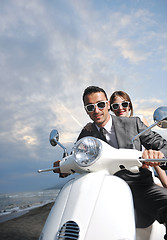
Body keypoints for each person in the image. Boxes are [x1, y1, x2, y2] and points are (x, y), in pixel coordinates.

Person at [54, 86, 167, 239]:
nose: (97, 110)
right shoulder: (86, 133)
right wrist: (63, 166)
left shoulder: (133, 124)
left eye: (100, 104)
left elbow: (163, 146)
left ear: (107, 104)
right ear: (86, 110)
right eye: (90, 107)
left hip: (140, 186)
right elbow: (77, 158)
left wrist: (156, 154)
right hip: (100, 190)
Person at [109, 90, 167, 188]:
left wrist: (165, 182)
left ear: (129, 106)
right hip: (117, 178)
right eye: (115, 106)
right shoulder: (107, 128)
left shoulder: (138, 121)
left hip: (142, 173)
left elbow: (153, 150)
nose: (120, 108)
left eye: (124, 104)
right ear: (111, 109)